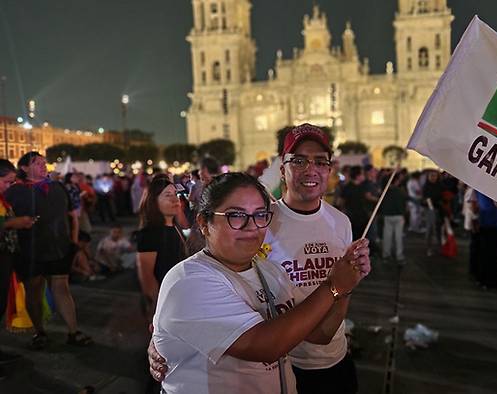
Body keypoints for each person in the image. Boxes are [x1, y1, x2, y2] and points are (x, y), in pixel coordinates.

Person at [149, 123, 371, 394]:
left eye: (258, 216)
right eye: (236, 215)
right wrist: (334, 286)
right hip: (292, 364)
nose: (252, 227)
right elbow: (266, 344)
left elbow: (320, 334)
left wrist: (344, 288)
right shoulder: (190, 279)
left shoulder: (268, 273)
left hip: (327, 363)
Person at [5, 152, 92, 348]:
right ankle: (40, 331)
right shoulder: (13, 192)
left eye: (44, 162)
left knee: (62, 288)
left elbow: (72, 215)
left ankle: (73, 331)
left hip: (59, 247)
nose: (44, 166)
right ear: (24, 168)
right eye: (37, 163)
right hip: (29, 251)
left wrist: (74, 240)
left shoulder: (57, 187)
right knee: (34, 290)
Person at [0, 159, 35, 377]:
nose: (8, 186)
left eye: (11, 182)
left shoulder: (2, 199)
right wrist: (14, 223)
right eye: (5, 181)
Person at [135, 177, 188, 321]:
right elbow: (147, 278)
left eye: (175, 194)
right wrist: (158, 309)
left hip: (180, 300)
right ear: (154, 201)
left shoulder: (175, 227)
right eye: (167, 195)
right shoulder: (149, 233)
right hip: (164, 306)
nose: (174, 199)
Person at [474, 191, 497, 291]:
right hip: (492, 221)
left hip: (490, 221)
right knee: (492, 254)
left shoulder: (482, 185)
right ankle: (488, 281)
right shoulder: (490, 188)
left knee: (488, 253)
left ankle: (485, 280)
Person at [380, 173, 407, 262]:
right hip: (398, 215)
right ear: (396, 181)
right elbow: (403, 203)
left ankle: (386, 254)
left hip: (388, 215)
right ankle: (399, 255)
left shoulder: (385, 191)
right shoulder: (400, 191)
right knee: (398, 236)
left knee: (387, 236)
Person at [422, 169, 444, 257]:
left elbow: (442, 196)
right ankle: (429, 248)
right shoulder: (426, 186)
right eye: (431, 176)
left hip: (439, 210)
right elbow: (425, 198)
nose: (433, 177)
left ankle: (440, 247)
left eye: (435, 176)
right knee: (430, 229)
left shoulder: (440, 185)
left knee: (439, 229)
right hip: (429, 210)